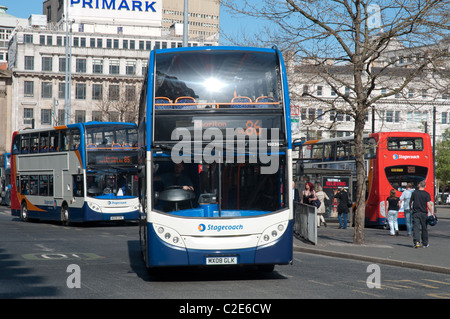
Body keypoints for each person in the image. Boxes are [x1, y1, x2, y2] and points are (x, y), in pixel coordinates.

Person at [410, 181, 434, 248]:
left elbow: (410, 201)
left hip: (416, 212)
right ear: (425, 186)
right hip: (423, 213)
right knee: (424, 228)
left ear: (419, 185)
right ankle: (425, 243)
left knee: (416, 227)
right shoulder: (427, 194)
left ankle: (416, 242)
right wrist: (432, 213)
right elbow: (428, 204)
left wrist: (410, 208)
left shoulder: (414, 193)